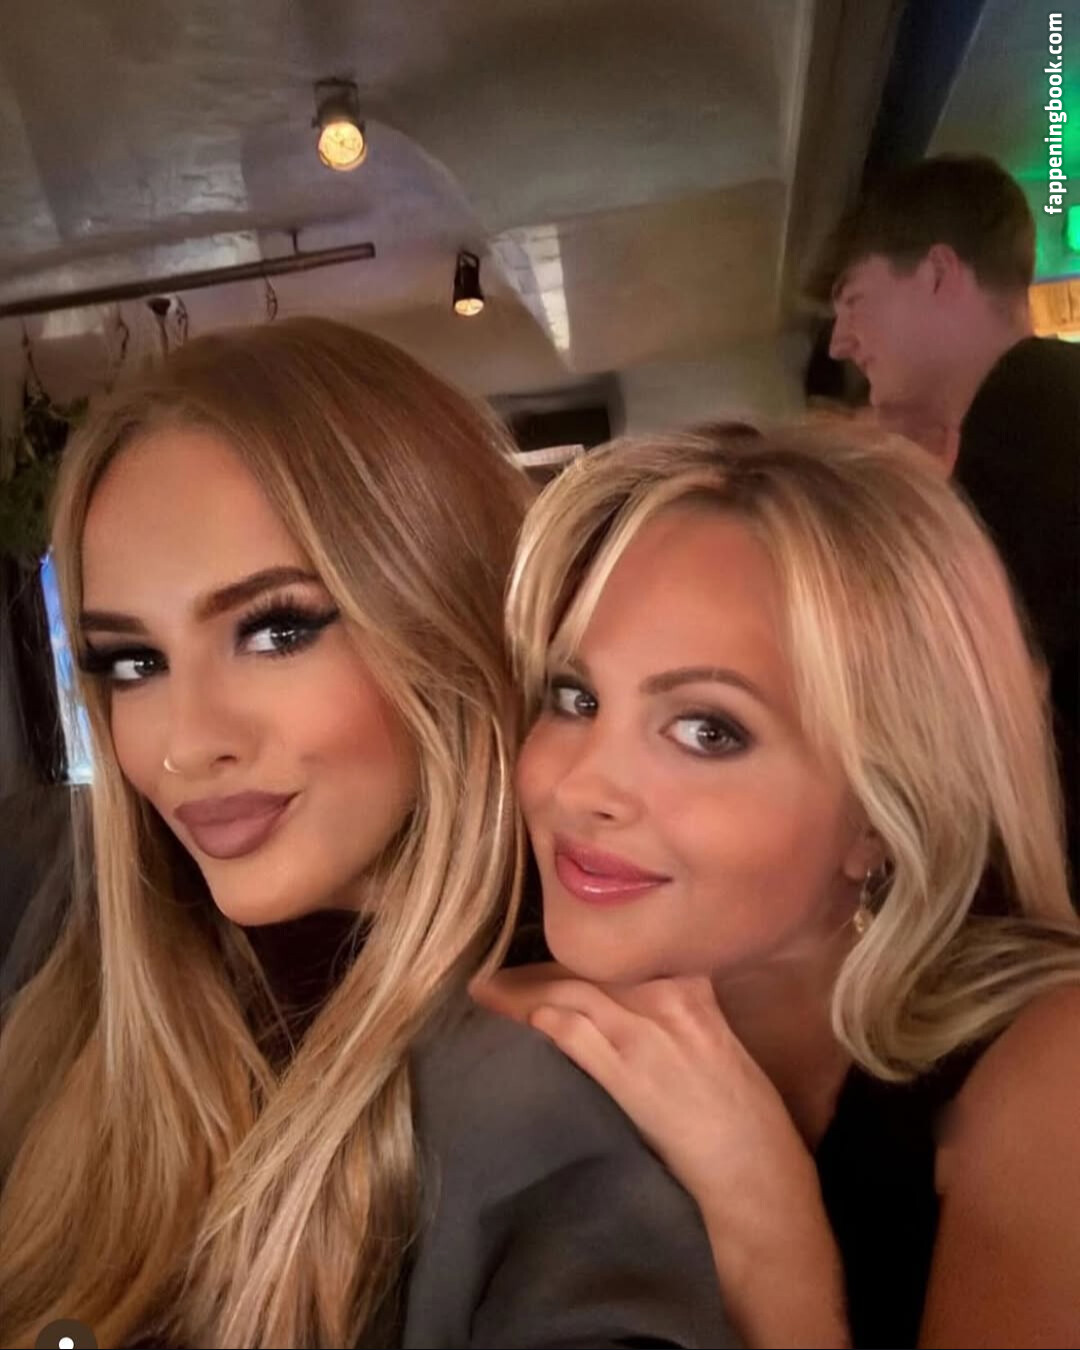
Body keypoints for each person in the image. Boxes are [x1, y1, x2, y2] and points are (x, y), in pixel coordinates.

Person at [0, 319, 734, 1350]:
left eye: (277, 631)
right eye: (134, 663)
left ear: (444, 618)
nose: (186, 745)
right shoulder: (65, 982)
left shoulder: (553, 1088)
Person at [474, 425, 1080, 1348]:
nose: (578, 786)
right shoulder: (509, 1021)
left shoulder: (1050, 1070)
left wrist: (770, 1235)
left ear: (880, 814)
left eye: (707, 730)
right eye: (575, 697)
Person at [815, 153, 1079, 885]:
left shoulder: (1031, 433)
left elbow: (990, 708)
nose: (840, 341)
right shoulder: (1034, 412)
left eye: (855, 300)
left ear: (938, 273)